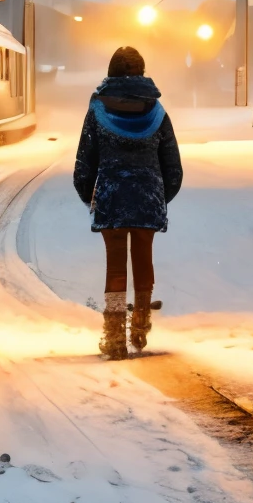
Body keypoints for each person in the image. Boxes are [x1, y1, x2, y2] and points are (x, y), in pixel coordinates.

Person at [73, 44, 183, 359]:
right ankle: (140, 325)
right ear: (141, 73)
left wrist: (91, 195)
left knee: (116, 267)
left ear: (111, 72)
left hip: (112, 195)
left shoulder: (97, 109)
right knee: (144, 260)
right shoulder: (157, 112)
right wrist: (160, 195)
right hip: (147, 195)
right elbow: (172, 166)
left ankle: (114, 337)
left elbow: (85, 162)